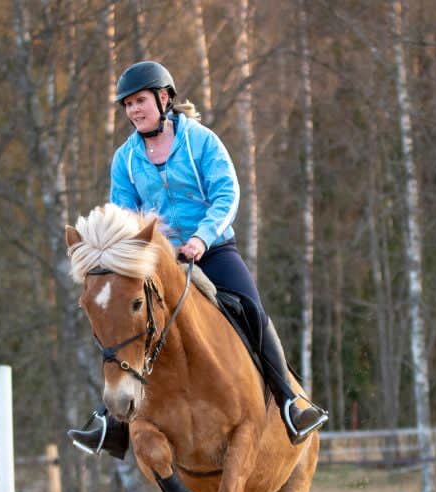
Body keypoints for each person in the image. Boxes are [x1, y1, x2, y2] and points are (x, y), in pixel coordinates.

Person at [69, 60, 327, 459]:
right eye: (127, 105)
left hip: (213, 248)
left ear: (164, 98)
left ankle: (291, 404)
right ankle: (111, 421)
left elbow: (228, 194)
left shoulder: (202, 141)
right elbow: (124, 215)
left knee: (253, 312)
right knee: (121, 317)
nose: (134, 111)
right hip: (157, 261)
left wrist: (200, 239)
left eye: (140, 101)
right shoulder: (125, 158)